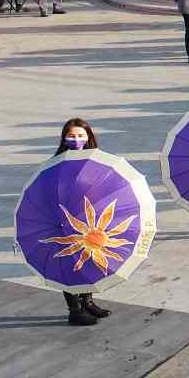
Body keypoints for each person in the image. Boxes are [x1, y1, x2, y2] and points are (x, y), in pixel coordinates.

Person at [50, 118, 111, 326]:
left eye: (80, 135)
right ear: (64, 138)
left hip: (90, 220)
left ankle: (88, 301)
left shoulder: (97, 159)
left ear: (88, 137)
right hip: (66, 220)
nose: (76, 140)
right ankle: (74, 310)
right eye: (71, 136)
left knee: (88, 260)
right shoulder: (57, 162)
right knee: (69, 265)